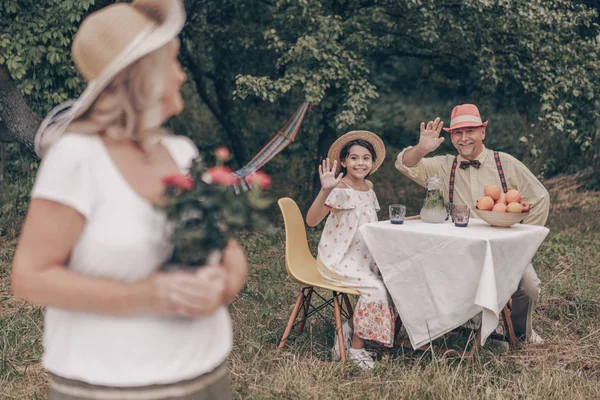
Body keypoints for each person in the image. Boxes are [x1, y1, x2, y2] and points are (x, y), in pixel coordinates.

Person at [10, 1, 247, 399]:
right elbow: (29, 278)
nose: (182, 75)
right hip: (111, 386)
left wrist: (222, 283)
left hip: (206, 377)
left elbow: (227, 249)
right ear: (144, 75)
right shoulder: (77, 157)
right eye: (172, 62)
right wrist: (148, 296)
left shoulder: (182, 153)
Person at [395, 103, 550, 343]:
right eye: (458, 132)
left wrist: (521, 241)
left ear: (482, 133)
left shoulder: (504, 163)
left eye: (470, 131)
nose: (464, 138)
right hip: (458, 250)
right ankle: (447, 327)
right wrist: (421, 149)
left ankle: (520, 333)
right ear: (452, 137)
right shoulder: (444, 166)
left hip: (502, 248)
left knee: (529, 287)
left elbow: (540, 198)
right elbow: (405, 164)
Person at [306, 131, 395, 370]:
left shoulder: (369, 186)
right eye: (353, 158)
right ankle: (356, 349)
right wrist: (325, 190)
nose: (360, 163)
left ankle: (349, 327)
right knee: (375, 289)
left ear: (372, 163)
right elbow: (312, 220)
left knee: (396, 279)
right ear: (343, 162)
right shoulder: (339, 188)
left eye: (366, 158)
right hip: (339, 258)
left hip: (366, 256)